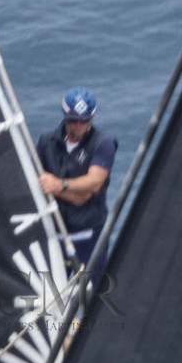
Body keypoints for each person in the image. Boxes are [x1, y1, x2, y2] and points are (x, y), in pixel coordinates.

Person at [35, 88, 117, 264]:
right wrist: (71, 194)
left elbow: (94, 183)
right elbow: (35, 179)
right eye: (73, 121)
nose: (78, 125)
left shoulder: (103, 143)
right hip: (54, 233)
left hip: (89, 235)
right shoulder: (46, 142)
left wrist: (58, 185)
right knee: (50, 289)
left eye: (84, 120)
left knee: (93, 290)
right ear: (65, 117)